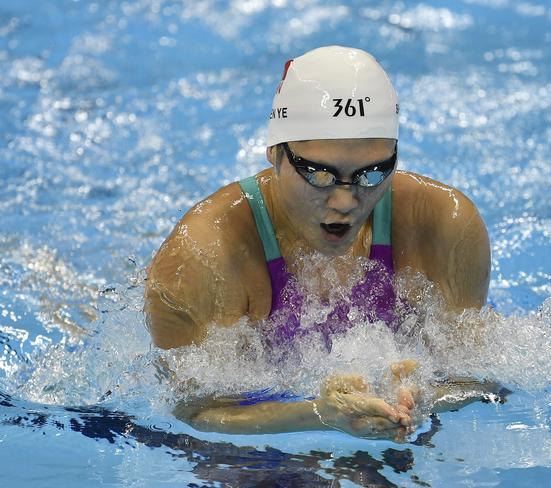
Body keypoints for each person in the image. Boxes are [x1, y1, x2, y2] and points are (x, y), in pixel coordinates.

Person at [145, 46, 493, 440]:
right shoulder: (203, 255)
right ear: (276, 154)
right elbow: (189, 411)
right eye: (319, 174)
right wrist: (318, 414)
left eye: (372, 173)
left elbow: (483, 379)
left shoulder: (444, 227)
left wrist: (424, 396)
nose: (345, 202)